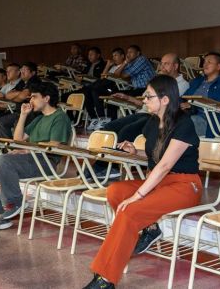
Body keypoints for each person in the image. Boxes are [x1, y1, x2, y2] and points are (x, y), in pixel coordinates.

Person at [83, 75, 202, 289]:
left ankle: (105, 279)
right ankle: (151, 228)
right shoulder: (152, 122)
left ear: (165, 99)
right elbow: (155, 156)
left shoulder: (184, 124)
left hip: (185, 185)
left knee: (129, 210)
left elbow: (165, 165)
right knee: (115, 191)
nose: (144, 99)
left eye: (149, 96)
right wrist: (134, 151)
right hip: (161, 183)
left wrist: (137, 196)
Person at [0, 81, 72, 230]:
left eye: (34, 97)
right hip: (31, 160)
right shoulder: (39, 119)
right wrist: (23, 115)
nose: (30, 100)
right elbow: (18, 141)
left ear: (46, 98)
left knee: (4, 160)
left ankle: (14, 202)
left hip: (46, 163)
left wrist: (29, 150)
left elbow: (54, 146)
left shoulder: (60, 117)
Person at [182, 52, 220, 137]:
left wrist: (193, 106)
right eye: (204, 62)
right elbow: (184, 97)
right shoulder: (197, 81)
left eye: (209, 62)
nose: (205, 65)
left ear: (219, 66)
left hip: (209, 120)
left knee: (186, 122)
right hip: (189, 115)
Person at [0, 62, 42, 139]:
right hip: (19, 111)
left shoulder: (34, 80)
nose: (22, 71)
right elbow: (8, 95)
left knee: (17, 124)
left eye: (25, 70)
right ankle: (9, 147)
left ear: (33, 72)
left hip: (31, 112)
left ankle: (17, 147)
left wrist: (17, 96)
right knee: (1, 121)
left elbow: (23, 96)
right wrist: (20, 95)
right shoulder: (22, 82)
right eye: (21, 69)